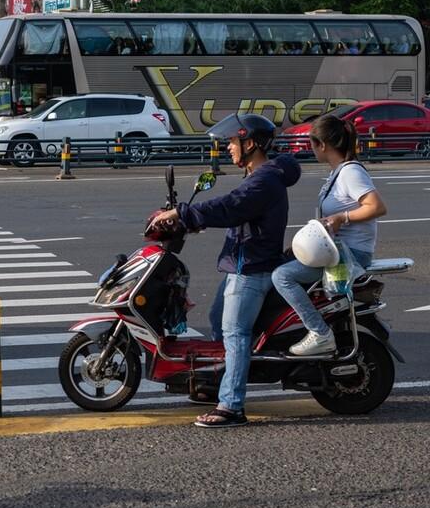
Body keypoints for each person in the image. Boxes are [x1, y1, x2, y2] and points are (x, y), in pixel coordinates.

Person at [150, 114, 301, 428]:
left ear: (251, 143)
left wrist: (183, 212)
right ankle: (219, 382)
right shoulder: (259, 175)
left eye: (233, 141)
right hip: (242, 264)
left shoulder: (264, 179)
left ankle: (232, 407)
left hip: (251, 270)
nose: (229, 148)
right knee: (218, 320)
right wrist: (190, 222)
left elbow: (231, 206)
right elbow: (237, 215)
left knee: (235, 335)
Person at [272, 114, 387, 356]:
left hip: (351, 257)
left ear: (322, 145)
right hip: (337, 252)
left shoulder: (350, 173)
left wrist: (341, 217)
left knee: (282, 276)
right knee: (285, 262)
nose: (312, 150)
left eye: (312, 145)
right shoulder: (338, 172)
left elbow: (376, 207)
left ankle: (319, 333)